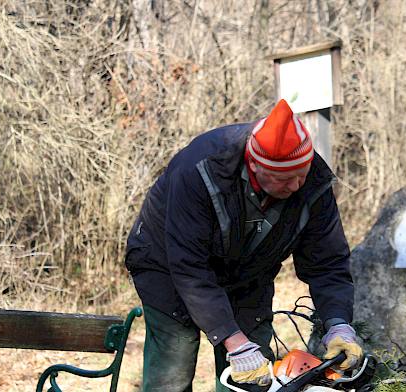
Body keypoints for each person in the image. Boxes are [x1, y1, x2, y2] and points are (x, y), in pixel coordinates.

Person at [124, 99, 363, 391]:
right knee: (175, 360)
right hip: (166, 265)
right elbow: (189, 268)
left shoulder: (313, 180)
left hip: (248, 271)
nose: (296, 186)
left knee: (255, 374)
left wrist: (338, 323)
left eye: (301, 174)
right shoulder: (199, 171)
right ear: (254, 166)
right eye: (283, 179)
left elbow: (327, 262)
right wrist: (232, 340)